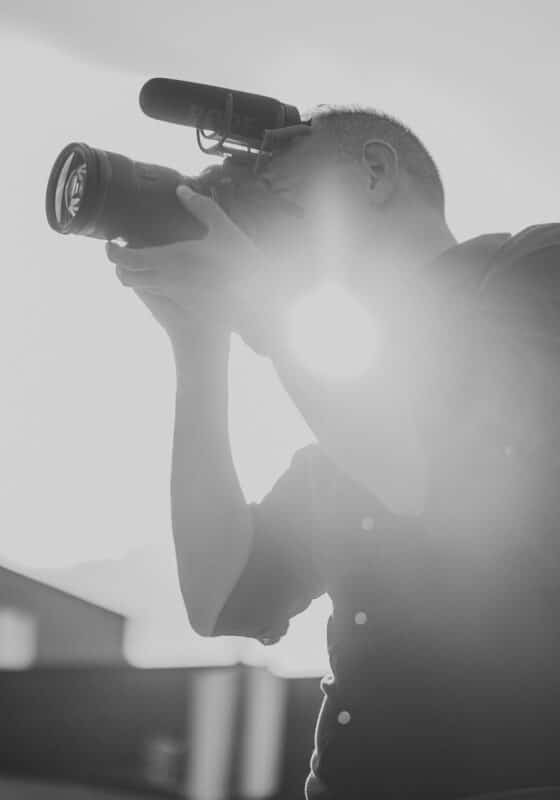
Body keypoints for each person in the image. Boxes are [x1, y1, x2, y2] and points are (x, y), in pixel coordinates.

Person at [107, 107, 560, 800]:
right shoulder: (343, 436)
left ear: (375, 172)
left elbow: (427, 478)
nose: (264, 234)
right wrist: (197, 338)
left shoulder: (535, 271)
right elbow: (218, 596)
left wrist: (255, 290)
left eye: (281, 196)